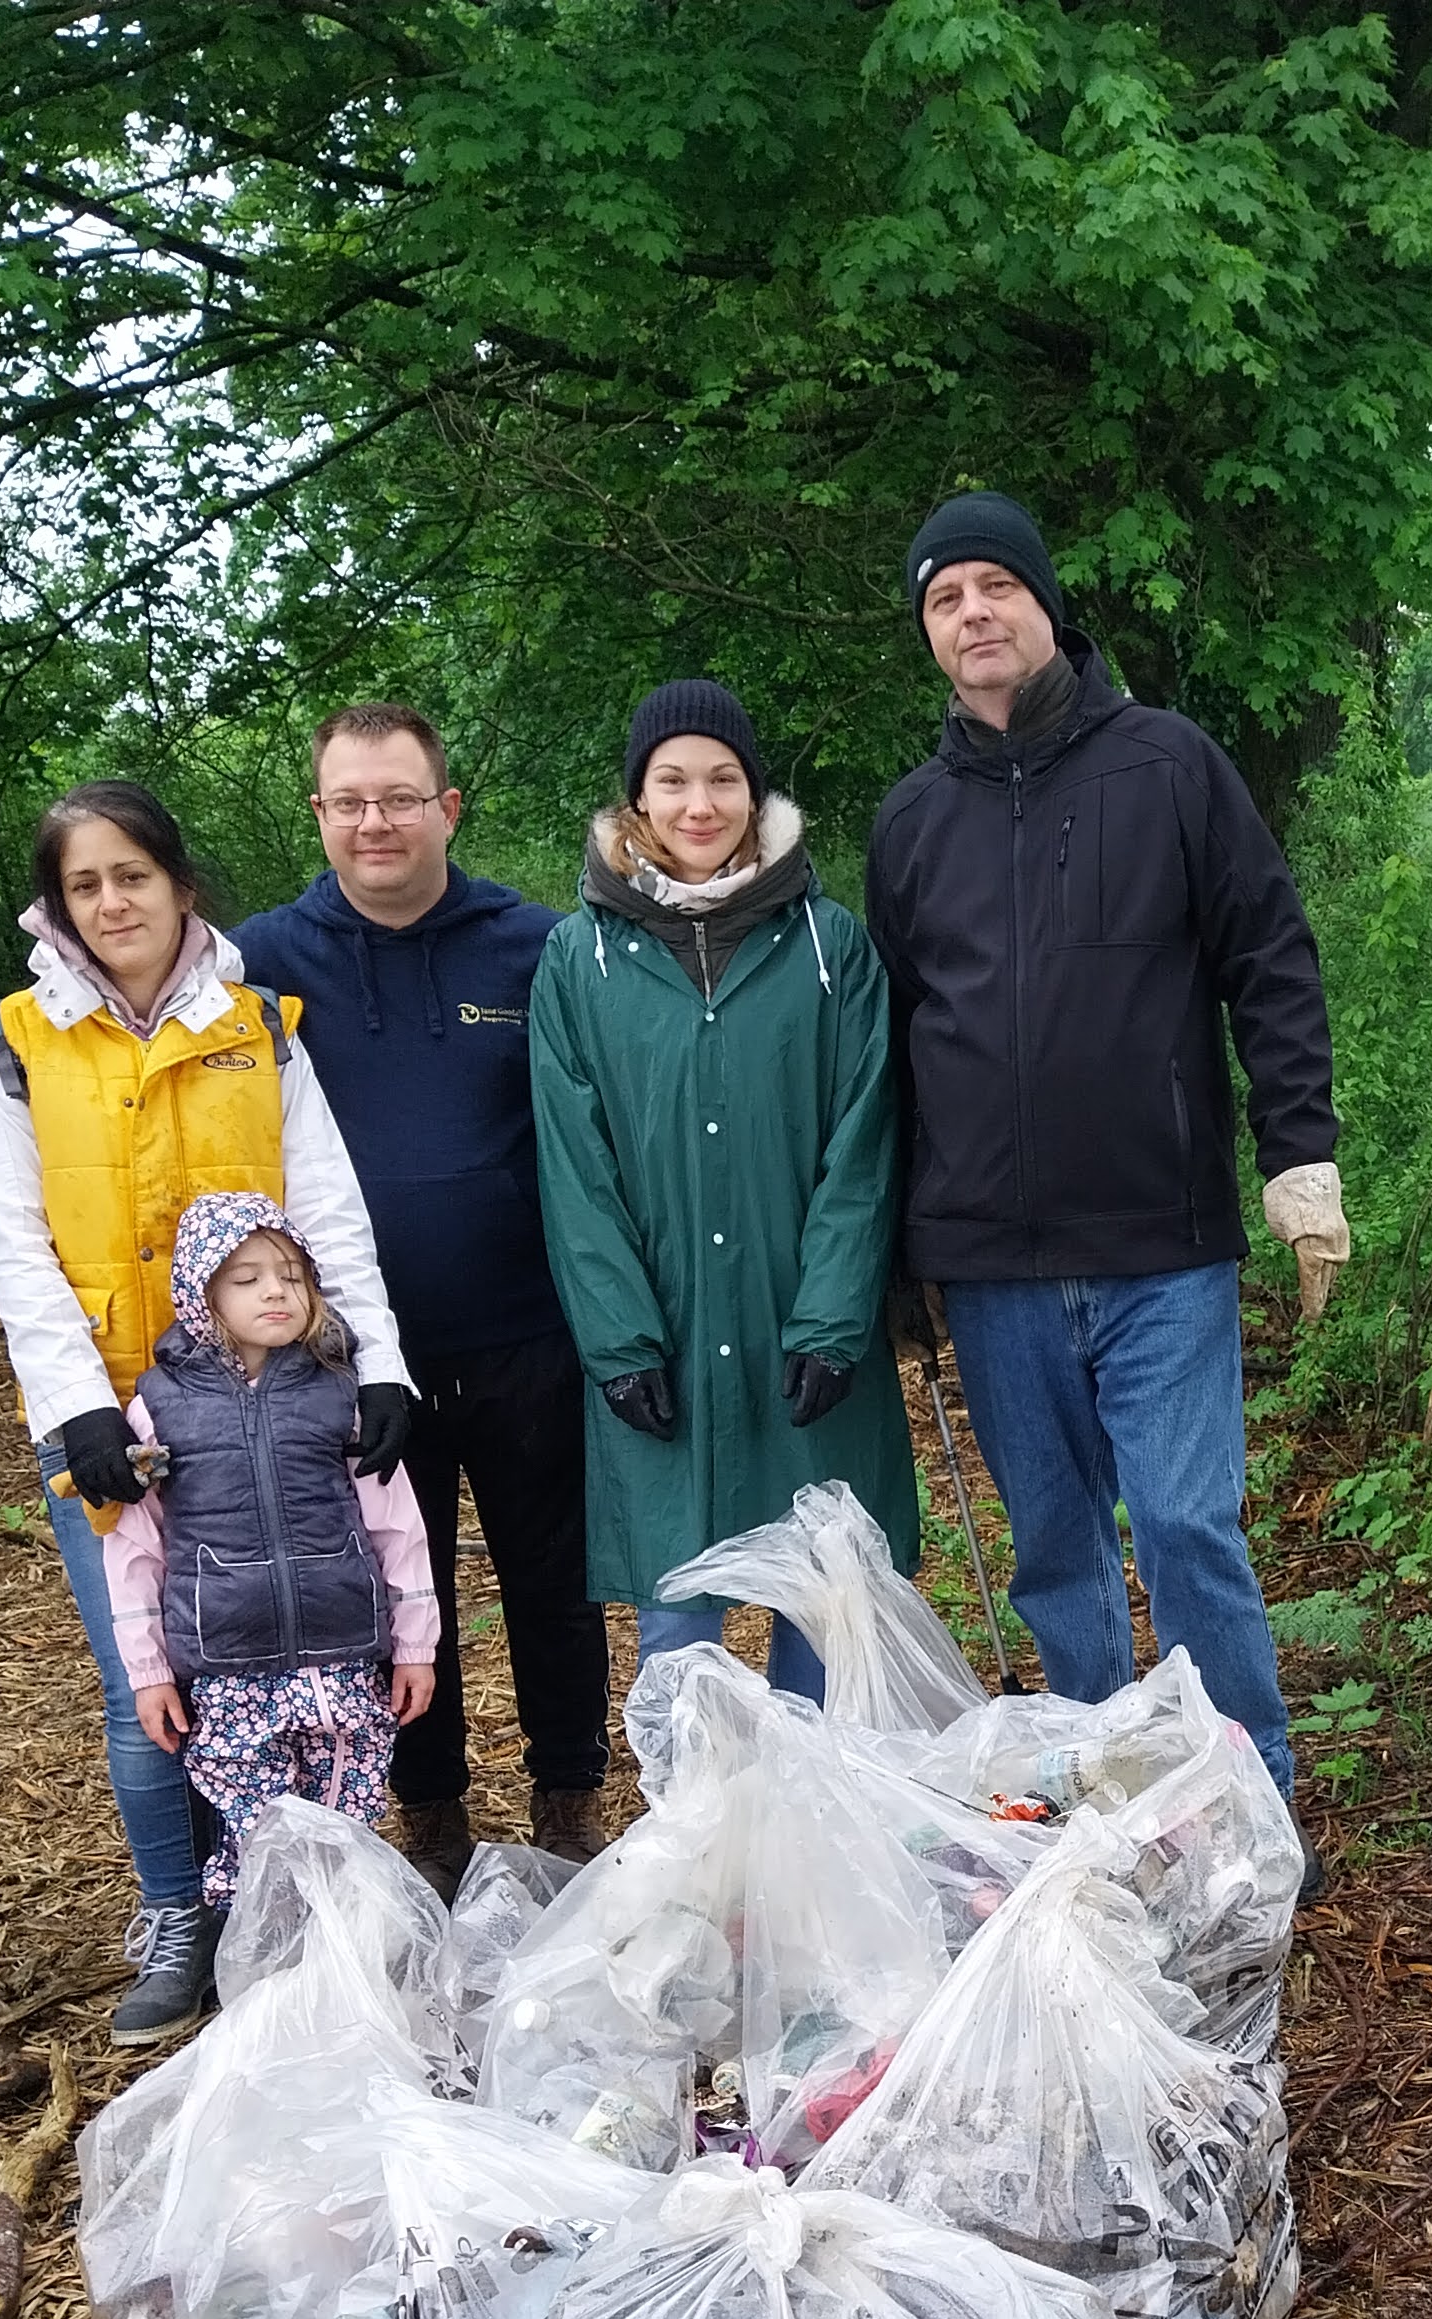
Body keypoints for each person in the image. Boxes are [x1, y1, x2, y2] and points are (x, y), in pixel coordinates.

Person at [0, 704, 611, 1903]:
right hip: (319, 1364)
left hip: (519, 1327)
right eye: (348, 801)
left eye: (399, 798)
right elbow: (104, 1015)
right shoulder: (261, 963)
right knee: (382, 1590)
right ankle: (426, 1821)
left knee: (551, 1586)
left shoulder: (537, 946)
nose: (374, 821)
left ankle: (570, 1805)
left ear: (447, 807)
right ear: (319, 814)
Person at [865, 492, 1347, 1886]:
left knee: (1188, 1528)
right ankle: (1105, 1812)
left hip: (1160, 1241)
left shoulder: (1168, 766)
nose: (973, 614)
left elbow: (1270, 956)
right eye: (944, 598)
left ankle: (1248, 1808)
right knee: (1056, 1550)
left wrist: (1299, 1154)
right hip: (989, 1259)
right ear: (929, 634)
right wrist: (894, 1254)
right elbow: (891, 1042)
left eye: (995, 586)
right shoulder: (911, 823)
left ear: (1045, 603)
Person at [0, 779, 411, 2042]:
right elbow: (17, 1244)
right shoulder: (14, 1047)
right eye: (84, 885)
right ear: (59, 909)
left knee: (282, 1654)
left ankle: (295, 1907)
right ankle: (176, 1913)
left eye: (133, 876)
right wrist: (78, 1405)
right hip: (122, 1417)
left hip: (276, 1398)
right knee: (144, 1670)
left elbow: (326, 1208)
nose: (113, 903)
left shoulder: (259, 1029)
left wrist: (378, 1365)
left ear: (179, 886)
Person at [528, 681, 919, 1683]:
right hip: (663, 1327)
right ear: (638, 798)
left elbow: (863, 1140)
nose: (698, 805)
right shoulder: (578, 959)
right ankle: (701, 1790)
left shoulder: (831, 946)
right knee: (678, 1621)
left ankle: (815, 1787)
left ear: (755, 793)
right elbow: (576, 1167)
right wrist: (619, 1340)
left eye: (723, 779)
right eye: (672, 781)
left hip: (800, 1322)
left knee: (826, 1604)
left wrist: (833, 1320)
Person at [104, 1193, 439, 1906]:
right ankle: (268, 1957)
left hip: (342, 1659)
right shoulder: (158, 1406)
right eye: (247, 1278)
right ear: (202, 1294)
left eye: (292, 1275)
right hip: (226, 1667)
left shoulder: (342, 1395)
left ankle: (350, 1959)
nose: (276, 1292)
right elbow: (136, 1549)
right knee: (259, 1844)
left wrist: (415, 1646)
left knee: (347, 1836)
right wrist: (148, 1671)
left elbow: (397, 1526)